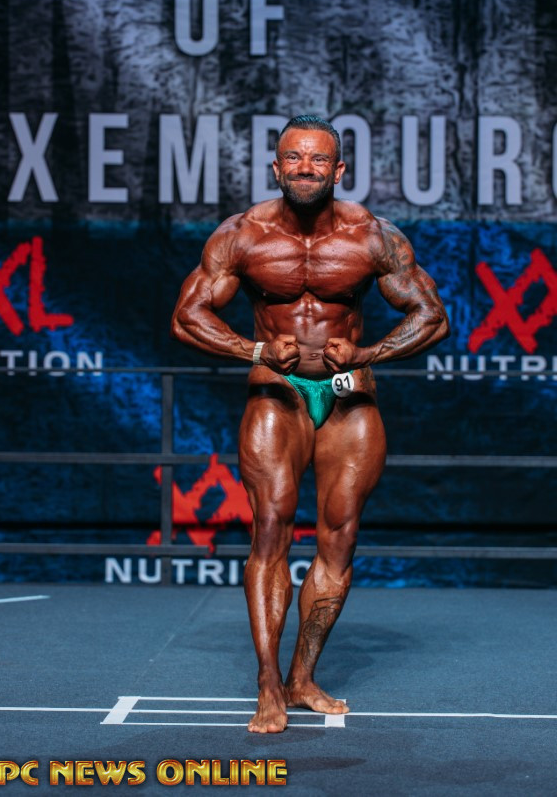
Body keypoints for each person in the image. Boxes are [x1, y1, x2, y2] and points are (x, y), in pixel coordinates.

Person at [171, 115, 450, 733]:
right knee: (271, 526)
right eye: (293, 158)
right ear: (277, 167)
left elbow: (432, 316)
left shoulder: (372, 236)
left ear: (338, 169)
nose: (304, 168)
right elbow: (187, 316)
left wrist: (370, 353)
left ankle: (302, 676)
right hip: (278, 390)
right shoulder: (242, 235)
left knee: (340, 536)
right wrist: (254, 350)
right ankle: (268, 683)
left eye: (318, 159)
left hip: (349, 394)